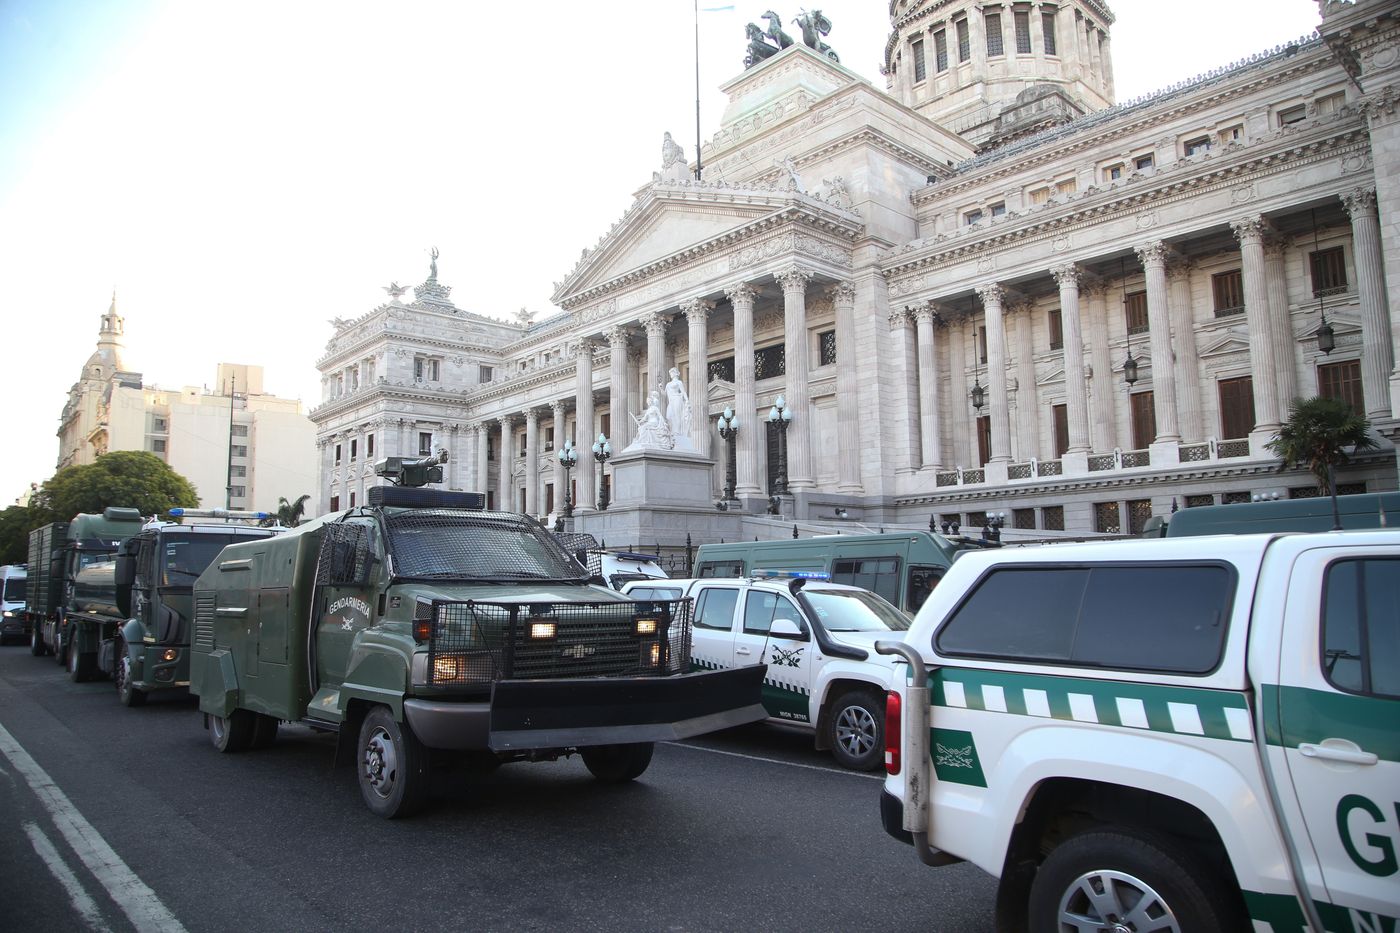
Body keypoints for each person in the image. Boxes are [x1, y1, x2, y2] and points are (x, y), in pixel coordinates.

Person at [664, 367, 691, 438]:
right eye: (670, 373)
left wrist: (687, 400)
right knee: (669, 416)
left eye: (672, 373)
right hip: (671, 402)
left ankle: (677, 432)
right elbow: (664, 394)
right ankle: (673, 431)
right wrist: (660, 388)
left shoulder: (679, 382)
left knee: (677, 416)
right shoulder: (668, 384)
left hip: (677, 399)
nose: (671, 374)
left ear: (675, 373)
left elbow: (683, 392)